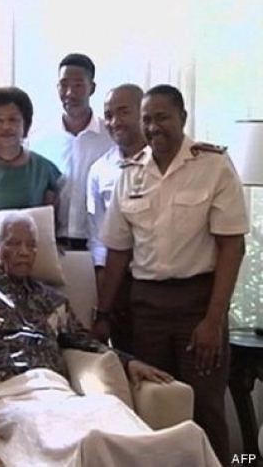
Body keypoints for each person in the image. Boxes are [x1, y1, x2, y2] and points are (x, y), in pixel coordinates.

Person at [0, 213, 220, 467]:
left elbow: (83, 341)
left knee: (108, 408)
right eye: (14, 244)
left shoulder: (52, 298)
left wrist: (129, 362)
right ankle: (93, 451)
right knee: (81, 439)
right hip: (11, 395)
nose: (23, 252)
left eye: (31, 245)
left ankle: (172, 450)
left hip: (58, 391)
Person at [96, 84, 248, 463]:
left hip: (199, 305)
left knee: (205, 406)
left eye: (162, 117)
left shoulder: (213, 166)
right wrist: (103, 314)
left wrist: (213, 320)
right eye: (146, 119)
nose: (153, 127)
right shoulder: (130, 173)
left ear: (182, 117)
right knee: (155, 406)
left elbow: (232, 247)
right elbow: (118, 252)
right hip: (146, 306)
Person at [30, 53, 113, 250]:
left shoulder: (110, 137)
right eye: (64, 85)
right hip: (52, 244)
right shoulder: (39, 140)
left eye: (78, 85)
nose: (70, 93)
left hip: (100, 244)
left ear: (92, 88)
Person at [86, 84, 146, 352]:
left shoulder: (165, 162)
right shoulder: (100, 169)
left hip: (163, 285)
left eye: (124, 112)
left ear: (143, 113)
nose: (115, 122)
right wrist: (104, 303)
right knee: (128, 362)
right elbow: (99, 238)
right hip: (120, 284)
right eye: (109, 115)